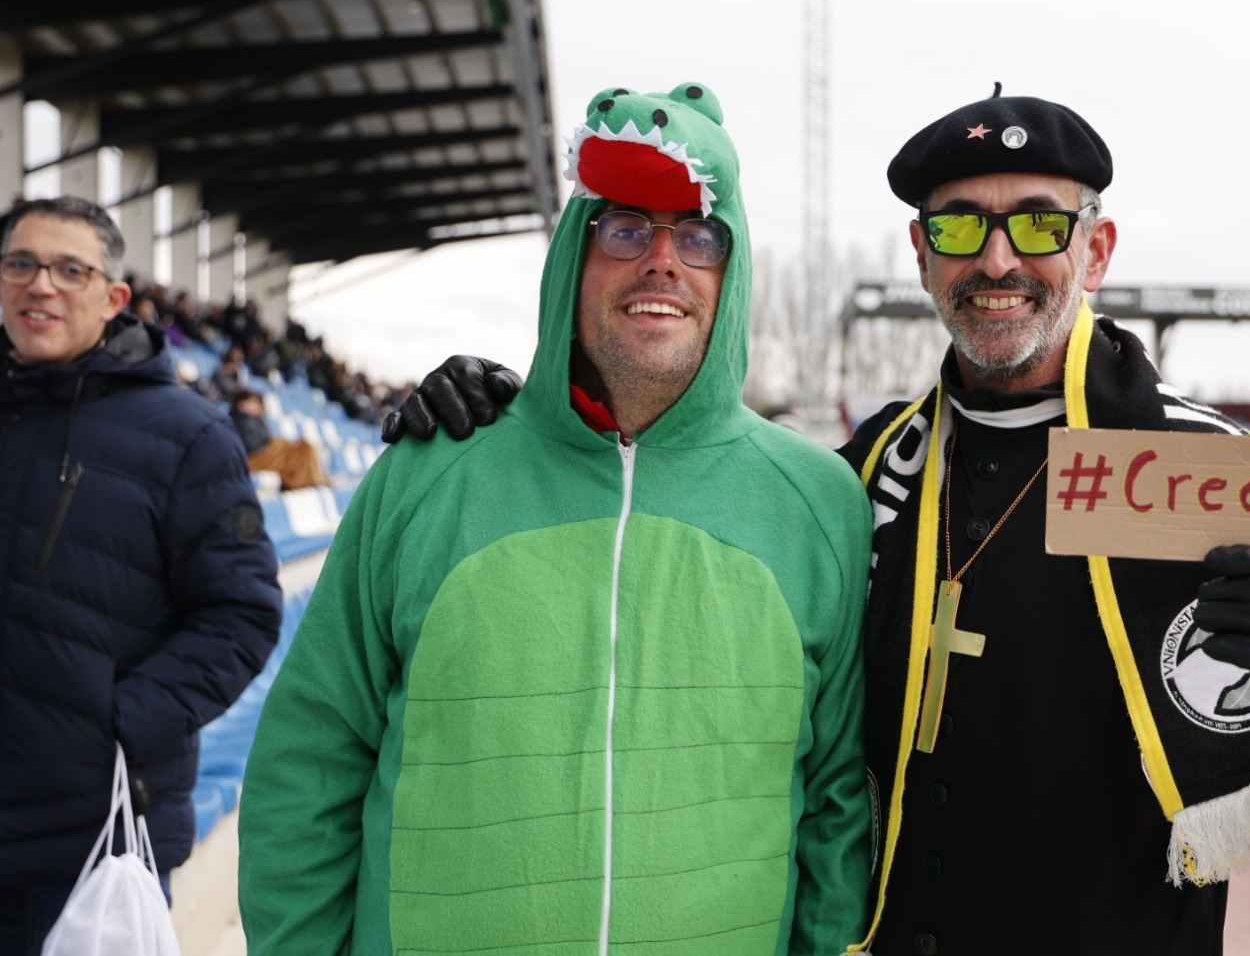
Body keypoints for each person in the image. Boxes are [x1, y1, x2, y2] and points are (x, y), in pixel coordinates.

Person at [390, 88, 1250, 953]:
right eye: (957, 226)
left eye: (1036, 222)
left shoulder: (1207, 475)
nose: (995, 260)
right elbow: (660, 489)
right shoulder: (857, 471)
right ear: (920, 253)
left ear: (1097, 247)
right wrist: (525, 411)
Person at [238, 82, 872, 956]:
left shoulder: (816, 500)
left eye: (697, 235)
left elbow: (838, 804)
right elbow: (310, 761)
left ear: (734, 271)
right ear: (575, 255)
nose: (662, 260)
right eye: (624, 229)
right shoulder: (427, 474)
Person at [0, 196, 282, 952]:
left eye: (69, 269)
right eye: (21, 264)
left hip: (86, 845)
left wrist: (112, 724)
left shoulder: (189, 436)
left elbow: (242, 615)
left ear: (114, 297)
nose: (41, 286)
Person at [230, 389, 330, 490]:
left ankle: (310, 480)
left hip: (265, 457)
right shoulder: (240, 420)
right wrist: (277, 444)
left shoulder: (252, 419)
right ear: (241, 404)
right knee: (302, 448)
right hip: (254, 460)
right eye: (253, 402)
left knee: (304, 447)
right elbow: (252, 447)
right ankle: (307, 481)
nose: (257, 405)